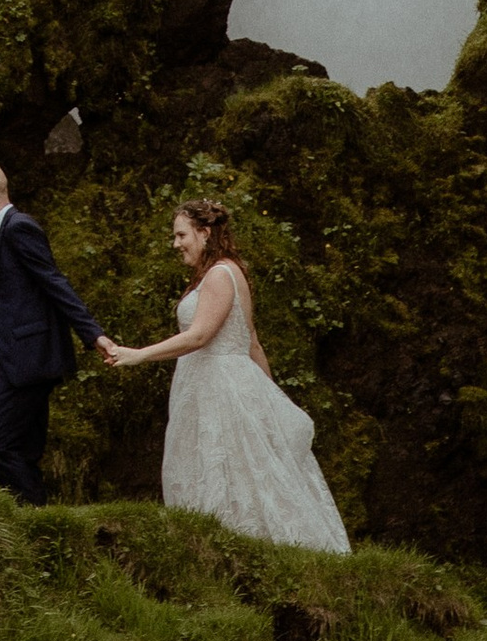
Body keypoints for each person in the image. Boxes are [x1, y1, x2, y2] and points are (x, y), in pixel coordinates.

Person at [99, 196, 350, 552]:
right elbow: (253, 343)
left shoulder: (219, 274)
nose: (175, 244)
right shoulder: (226, 272)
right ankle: (223, 548)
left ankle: (237, 548)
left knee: (229, 469)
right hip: (219, 383)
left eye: (181, 235)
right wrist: (269, 399)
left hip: (220, 386)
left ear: (204, 233)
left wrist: (138, 355)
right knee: (231, 470)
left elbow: (200, 336)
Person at [0, 156, 113, 502]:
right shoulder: (3, 234)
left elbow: (53, 282)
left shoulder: (19, 228)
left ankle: (35, 513)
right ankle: (37, 519)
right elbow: (5, 310)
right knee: (25, 448)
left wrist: (93, 334)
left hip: (29, 361)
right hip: (14, 362)